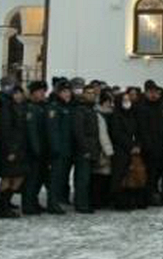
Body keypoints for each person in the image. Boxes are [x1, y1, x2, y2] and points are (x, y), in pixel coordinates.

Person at [110, 91, 148, 210]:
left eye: (128, 100)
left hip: (134, 150)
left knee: (134, 175)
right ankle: (120, 202)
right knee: (120, 176)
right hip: (120, 150)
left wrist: (138, 145)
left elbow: (138, 131)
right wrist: (130, 146)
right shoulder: (115, 115)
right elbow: (116, 134)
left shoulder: (132, 114)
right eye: (124, 100)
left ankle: (132, 201)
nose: (127, 103)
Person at [0, 85, 28, 218]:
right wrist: (10, 150)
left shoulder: (23, 108)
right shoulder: (7, 109)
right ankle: (2, 207)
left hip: (21, 148)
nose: (18, 96)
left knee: (19, 177)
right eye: (15, 94)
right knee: (7, 178)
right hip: (10, 148)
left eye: (20, 93)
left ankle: (5, 203)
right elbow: (5, 130)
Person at [137, 81, 163, 206]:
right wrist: (147, 145)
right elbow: (142, 129)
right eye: (151, 92)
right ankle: (148, 197)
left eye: (156, 92)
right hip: (149, 148)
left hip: (161, 146)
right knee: (149, 174)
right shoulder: (142, 107)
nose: (154, 95)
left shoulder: (160, 107)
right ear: (146, 93)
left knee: (158, 173)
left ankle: (156, 195)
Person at [71, 85, 102, 213]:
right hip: (84, 150)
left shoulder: (91, 109)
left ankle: (85, 202)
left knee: (88, 178)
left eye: (93, 93)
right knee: (82, 179)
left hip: (93, 147)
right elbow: (78, 132)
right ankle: (81, 204)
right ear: (83, 94)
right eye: (88, 93)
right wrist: (85, 150)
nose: (91, 95)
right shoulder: (80, 110)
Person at [46, 80, 75, 214]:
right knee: (55, 178)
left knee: (62, 178)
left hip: (68, 148)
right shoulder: (54, 107)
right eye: (64, 91)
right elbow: (53, 130)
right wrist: (55, 148)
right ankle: (53, 203)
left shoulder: (69, 107)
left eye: (68, 91)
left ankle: (57, 201)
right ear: (58, 93)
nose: (67, 94)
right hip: (59, 150)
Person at [22, 81, 50, 215]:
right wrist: (36, 149)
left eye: (44, 91)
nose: (43, 94)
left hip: (43, 148)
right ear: (33, 93)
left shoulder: (42, 107)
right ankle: (28, 205)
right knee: (31, 179)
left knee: (39, 178)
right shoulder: (30, 108)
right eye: (40, 91)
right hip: (33, 150)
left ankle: (34, 201)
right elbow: (31, 131)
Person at [91, 90, 116, 209]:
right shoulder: (99, 115)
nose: (110, 104)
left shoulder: (110, 114)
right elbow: (102, 135)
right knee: (99, 175)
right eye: (108, 102)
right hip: (101, 149)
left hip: (108, 147)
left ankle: (103, 199)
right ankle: (97, 201)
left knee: (105, 175)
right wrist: (108, 150)